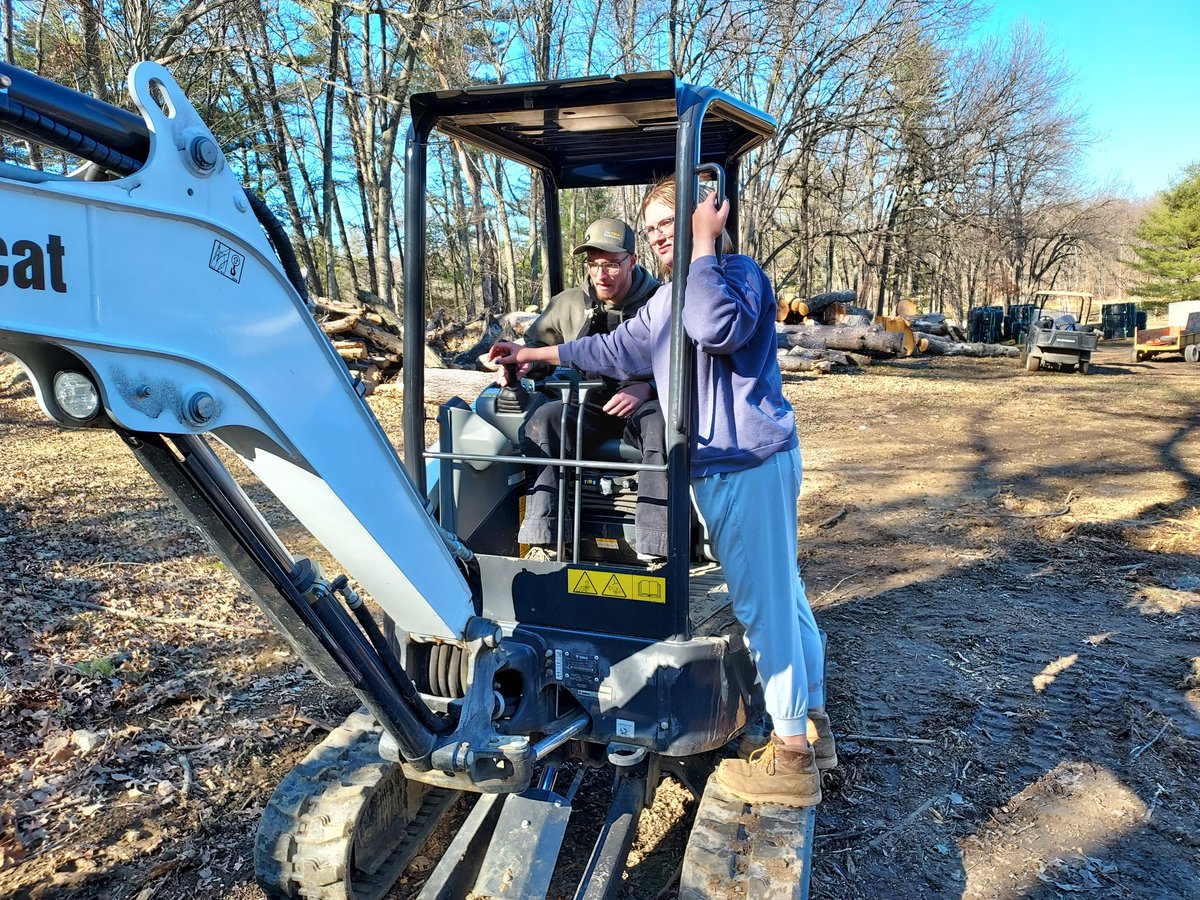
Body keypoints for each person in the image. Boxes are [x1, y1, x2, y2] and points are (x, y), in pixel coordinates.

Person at [490, 179, 834, 807]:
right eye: (651, 228)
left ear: (713, 212)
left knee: (765, 608)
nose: (657, 236)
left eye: (670, 221)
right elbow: (616, 346)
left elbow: (715, 328)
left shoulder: (735, 275)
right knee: (786, 595)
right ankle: (812, 721)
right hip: (725, 465)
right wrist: (534, 350)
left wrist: (702, 242)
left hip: (748, 462)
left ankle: (791, 755)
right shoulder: (674, 293)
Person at [499, 217, 668, 561]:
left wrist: (648, 388)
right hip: (591, 406)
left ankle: (656, 545)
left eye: (610, 265)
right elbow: (537, 345)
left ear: (633, 261)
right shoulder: (571, 303)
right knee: (545, 419)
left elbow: (687, 363)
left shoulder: (659, 302)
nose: (600, 275)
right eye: (593, 265)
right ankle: (547, 541)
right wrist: (527, 363)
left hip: (646, 406)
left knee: (662, 427)